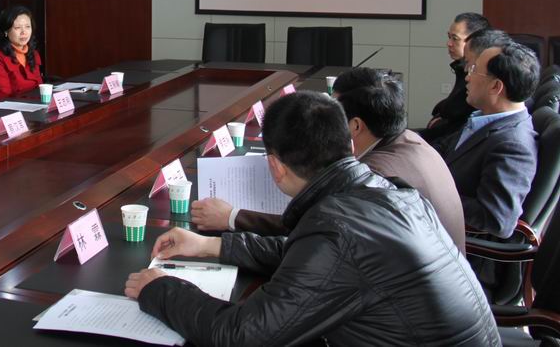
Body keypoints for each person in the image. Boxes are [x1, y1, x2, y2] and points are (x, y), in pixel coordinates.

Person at [124, 92, 498, 347]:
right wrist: (212, 246)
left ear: (274, 166)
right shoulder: (388, 192)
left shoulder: (337, 227)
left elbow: (241, 335)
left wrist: (161, 289)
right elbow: (310, 256)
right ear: (349, 145)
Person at [192, 69, 467, 251]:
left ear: (356, 126)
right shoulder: (410, 140)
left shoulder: (373, 175)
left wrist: (232, 217)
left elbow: (312, 226)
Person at [443, 41, 539, 238]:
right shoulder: (486, 120)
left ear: (496, 86)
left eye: (474, 70)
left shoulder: (513, 145)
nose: (467, 77)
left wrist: (431, 192)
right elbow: (445, 149)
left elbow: (496, 220)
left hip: (451, 241)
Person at [421, 12, 490, 145]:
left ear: (474, 41)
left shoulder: (480, 76)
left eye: (455, 38)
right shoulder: (461, 67)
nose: (449, 43)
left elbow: (456, 112)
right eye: (449, 37)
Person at [0, 5, 44, 101]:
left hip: (32, 105)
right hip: (5, 108)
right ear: (6, 31)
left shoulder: (33, 53)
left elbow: (39, 88)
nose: (24, 32)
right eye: (17, 27)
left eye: (28, 27)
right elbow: (3, 97)